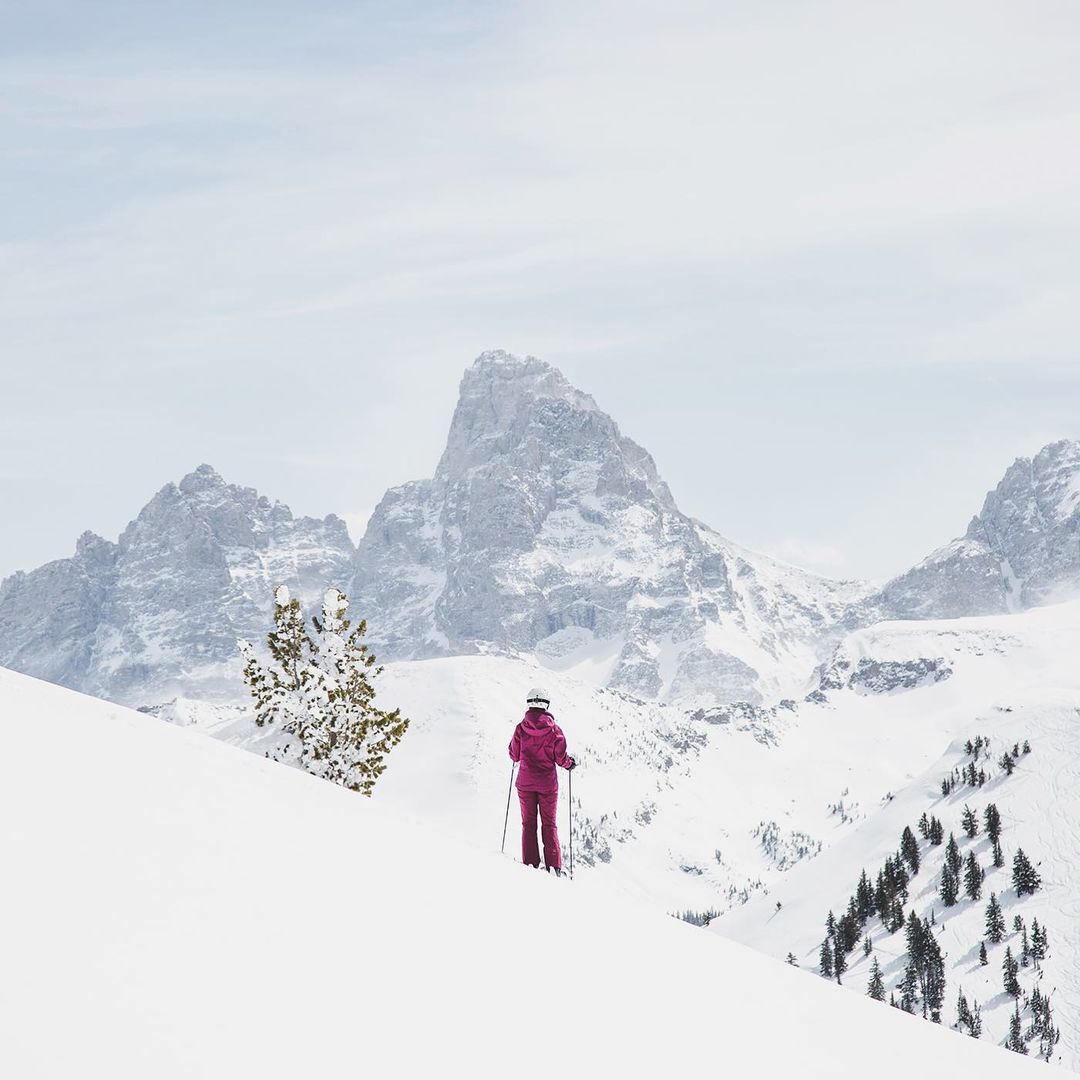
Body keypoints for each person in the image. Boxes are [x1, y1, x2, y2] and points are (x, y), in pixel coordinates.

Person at [508, 687, 575, 875]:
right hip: (547, 785)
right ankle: (554, 866)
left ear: (529, 704)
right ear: (546, 705)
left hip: (525, 783)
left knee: (528, 823)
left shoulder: (521, 728)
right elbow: (561, 758)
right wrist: (570, 764)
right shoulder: (555, 730)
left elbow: (514, 756)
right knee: (549, 823)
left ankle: (531, 865)